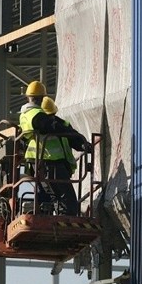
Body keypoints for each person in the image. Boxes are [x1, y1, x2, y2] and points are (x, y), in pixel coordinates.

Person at [19, 81, 92, 215]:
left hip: (49, 164)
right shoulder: (34, 115)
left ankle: (48, 216)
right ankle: (62, 219)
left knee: (52, 198)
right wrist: (80, 139)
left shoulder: (57, 123)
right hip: (47, 163)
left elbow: (68, 135)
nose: (52, 118)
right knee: (67, 203)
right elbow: (48, 125)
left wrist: (82, 144)